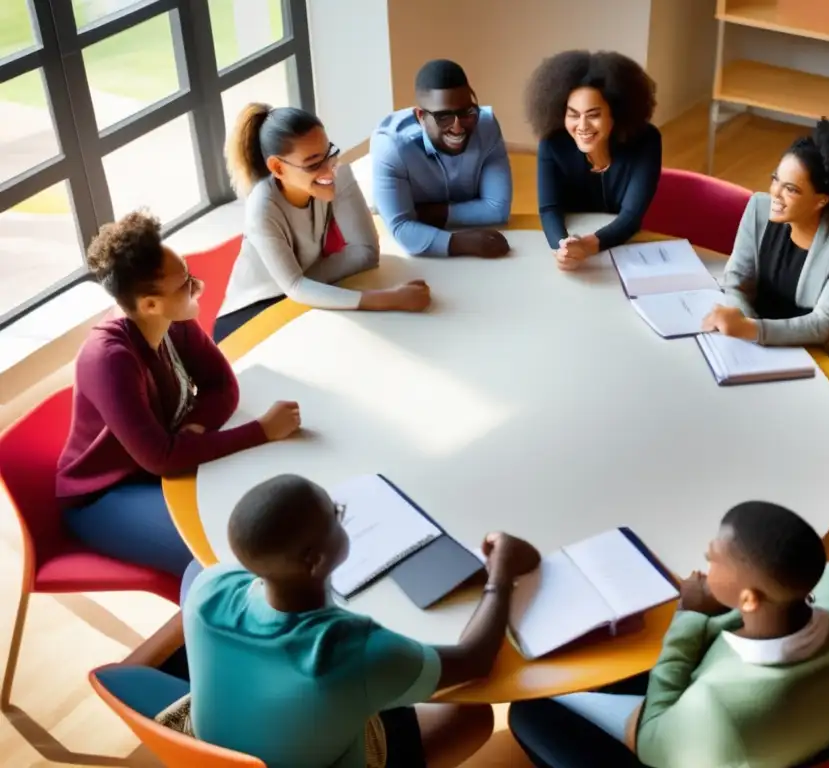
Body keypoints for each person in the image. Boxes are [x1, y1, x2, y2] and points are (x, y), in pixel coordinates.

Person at [183, 473, 541, 768]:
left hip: (228, 751)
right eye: (336, 515)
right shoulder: (352, 653)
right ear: (315, 561)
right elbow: (475, 660)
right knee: (470, 716)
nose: (342, 519)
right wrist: (500, 572)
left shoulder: (207, 587)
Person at [508, 501, 829, 768]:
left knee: (530, 711)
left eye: (713, 559)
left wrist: (688, 617)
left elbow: (649, 739)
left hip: (720, 738)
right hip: (821, 715)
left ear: (749, 599)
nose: (703, 564)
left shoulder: (715, 709)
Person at [56, 211, 301, 579]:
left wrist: (193, 427)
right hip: (105, 494)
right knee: (220, 556)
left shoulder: (172, 320)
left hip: (159, 467)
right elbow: (159, 458)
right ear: (150, 305)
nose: (197, 287)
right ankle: (200, 631)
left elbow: (223, 386)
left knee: (269, 512)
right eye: (186, 283)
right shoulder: (109, 359)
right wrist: (260, 431)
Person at [216, 103, 431, 342]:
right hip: (252, 310)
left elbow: (367, 252)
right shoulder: (262, 208)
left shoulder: (337, 173)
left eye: (329, 152)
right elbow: (295, 287)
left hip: (301, 290)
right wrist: (389, 299)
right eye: (313, 163)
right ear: (277, 167)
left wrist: (309, 282)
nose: (329, 170)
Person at [703, 118, 829, 379]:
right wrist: (747, 329)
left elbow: (823, 325)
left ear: (821, 200)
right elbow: (736, 280)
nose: (775, 194)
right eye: (775, 180)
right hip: (756, 346)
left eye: (790, 189)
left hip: (819, 359)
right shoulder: (759, 208)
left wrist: (750, 329)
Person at [524, 49, 661, 272]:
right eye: (573, 114)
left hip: (624, 249)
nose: (582, 125)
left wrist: (587, 247)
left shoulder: (646, 142)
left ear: (615, 114)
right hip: (576, 238)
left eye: (594, 114)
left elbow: (632, 217)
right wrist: (563, 247)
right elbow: (549, 209)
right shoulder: (552, 145)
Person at [371, 59, 512, 259]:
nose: (458, 127)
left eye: (466, 112)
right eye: (443, 116)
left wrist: (423, 214)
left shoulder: (486, 125)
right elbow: (402, 230)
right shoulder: (391, 145)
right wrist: (461, 242)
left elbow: (497, 210)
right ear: (420, 116)